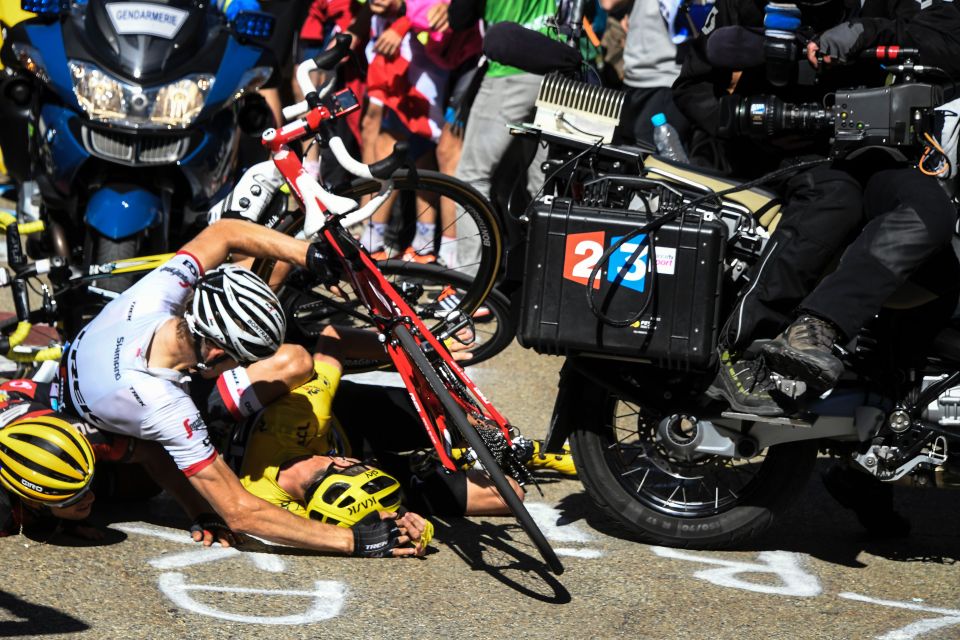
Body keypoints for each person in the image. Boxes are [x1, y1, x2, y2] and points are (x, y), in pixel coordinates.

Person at [58, 218, 431, 558]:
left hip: (99, 362)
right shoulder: (166, 406)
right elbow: (241, 513)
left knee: (278, 260)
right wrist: (358, 541)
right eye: (243, 359)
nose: (248, 366)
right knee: (293, 363)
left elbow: (224, 233)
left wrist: (310, 255)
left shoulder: (157, 295)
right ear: (218, 350)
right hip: (112, 417)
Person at [673, 0, 960, 416]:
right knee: (836, 200)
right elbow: (691, 86)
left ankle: (828, 337)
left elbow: (948, 38)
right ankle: (740, 348)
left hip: (871, 152)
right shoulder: (747, 5)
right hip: (782, 157)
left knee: (932, 212)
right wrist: (739, 119)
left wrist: (866, 32)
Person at [235, 324, 575, 524]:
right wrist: (402, 524)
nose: (361, 464)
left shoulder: (306, 411)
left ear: (340, 461)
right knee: (508, 496)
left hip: (348, 417)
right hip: (354, 488)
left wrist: (412, 353)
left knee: (466, 417)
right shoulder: (272, 501)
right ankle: (429, 463)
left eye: (356, 466)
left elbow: (334, 336)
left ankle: (526, 448)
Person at [0, 404, 97, 539]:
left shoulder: (83, 446)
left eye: (89, 486)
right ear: (32, 502)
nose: (92, 497)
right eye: (76, 498)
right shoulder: (4, 515)